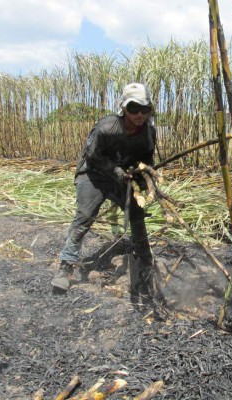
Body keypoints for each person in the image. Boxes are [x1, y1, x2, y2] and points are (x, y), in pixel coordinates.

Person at [51, 82, 156, 299]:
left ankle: (145, 262)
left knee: (137, 214)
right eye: (134, 108)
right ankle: (66, 265)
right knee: (84, 217)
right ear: (124, 108)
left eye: (144, 109)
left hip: (122, 177)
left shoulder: (148, 132)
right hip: (94, 175)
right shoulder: (106, 128)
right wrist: (116, 172)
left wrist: (144, 177)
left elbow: (146, 159)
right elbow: (93, 156)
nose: (139, 114)